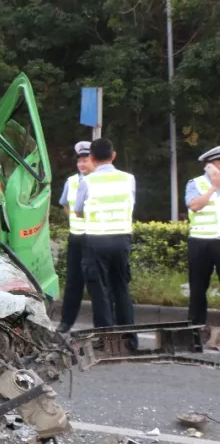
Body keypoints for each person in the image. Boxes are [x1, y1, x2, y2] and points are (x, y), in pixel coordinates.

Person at [74, 137, 135, 332]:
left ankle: (105, 338)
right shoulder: (128, 179)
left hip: (96, 240)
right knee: (121, 288)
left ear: (92, 158)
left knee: (99, 290)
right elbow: (131, 203)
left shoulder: (86, 181)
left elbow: (78, 210)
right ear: (113, 155)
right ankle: (129, 337)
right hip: (122, 239)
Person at [57, 141, 94, 333]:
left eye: (85, 160)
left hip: (95, 238)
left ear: (94, 160)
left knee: (97, 283)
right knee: (73, 282)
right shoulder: (71, 181)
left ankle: (103, 326)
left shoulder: (99, 181)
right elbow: (65, 205)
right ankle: (66, 322)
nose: (81, 164)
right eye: (79, 160)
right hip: (76, 238)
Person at [185, 146, 220, 350]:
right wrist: (213, 188)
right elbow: (195, 206)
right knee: (198, 290)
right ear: (209, 166)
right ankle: (195, 334)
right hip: (200, 242)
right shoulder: (195, 184)